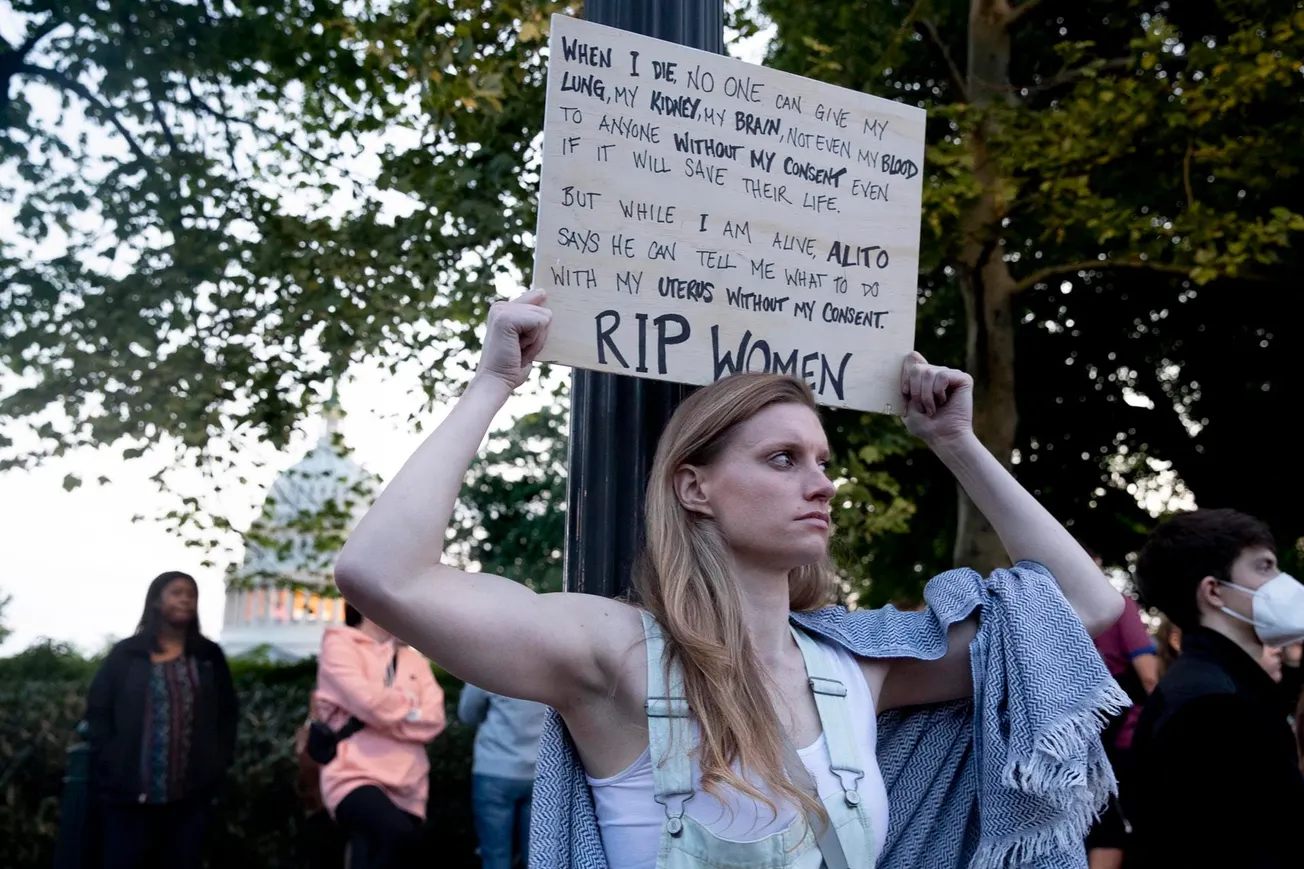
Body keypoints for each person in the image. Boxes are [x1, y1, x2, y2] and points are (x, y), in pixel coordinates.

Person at [335, 290, 1125, 869]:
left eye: (822, 462)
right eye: (782, 459)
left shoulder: (859, 667)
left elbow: (1080, 612)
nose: (820, 483)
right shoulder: (615, 654)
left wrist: (956, 444)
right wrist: (492, 383)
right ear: (695, 487)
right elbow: (380, 573)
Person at [1126, 508, 1304, 868]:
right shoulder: (1214, 706)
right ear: (1214, 591)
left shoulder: (1219, 686)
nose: (1282, 582)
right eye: (1264, 567)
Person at [85, 571, 238, 869]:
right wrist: (111, 761)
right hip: (130, 792)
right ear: (156, 601)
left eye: (191, 594)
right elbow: (99, 709)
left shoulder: (208, 657)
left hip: (190, 795)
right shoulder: (127, 655)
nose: (185, 600)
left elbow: (227, 715)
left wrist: (217, 765)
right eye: (176, 592)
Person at [313, 603, 446, 869]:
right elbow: (369, 702)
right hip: (353, 774)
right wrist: (410, 709)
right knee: (396, 836)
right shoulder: (339, 645)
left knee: (376, 853)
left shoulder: (414, 660)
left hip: (410, 783)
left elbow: (434, 720)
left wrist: (385, 715)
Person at [1079, 548, 1158, 869]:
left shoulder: (1041, 613)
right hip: (1119, 732)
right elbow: (1149, 676)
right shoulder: (1117, 607)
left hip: (1065, 729)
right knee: (1112, 822)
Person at [458, 683, 549, 869]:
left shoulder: (490, 661)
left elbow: (467, 713)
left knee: (495, 855)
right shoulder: (551, 662)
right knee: (538, 857)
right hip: (540, 771)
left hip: (495, 767)